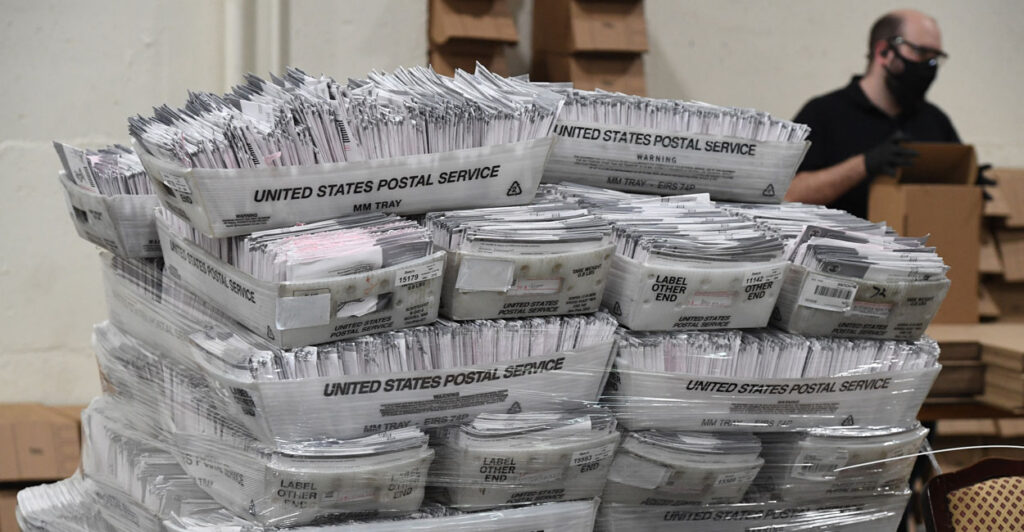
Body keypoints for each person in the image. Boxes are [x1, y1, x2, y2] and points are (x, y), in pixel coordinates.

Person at [784, 9, 960, 218]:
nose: (929, 67)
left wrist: (972, 182)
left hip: (914, 248)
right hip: (837, 249)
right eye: (920, 53)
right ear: (883, 52)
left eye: (935, 58)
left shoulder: (935, 122)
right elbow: (787, 194)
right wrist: (865, 164)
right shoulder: (823, 114)